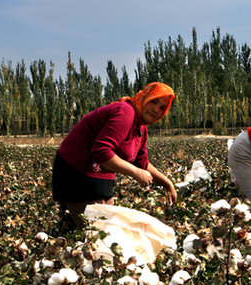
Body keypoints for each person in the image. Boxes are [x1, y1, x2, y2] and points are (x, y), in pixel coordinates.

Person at [52, 82, 178, 229]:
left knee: (108, 229)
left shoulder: (141, 128)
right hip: (77, 173)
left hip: (100, 177)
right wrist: (136, 173)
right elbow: (101, 151)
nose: (156, 110)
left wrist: (167, 183)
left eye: (162, 107)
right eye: (154, 101)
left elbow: (142, 163)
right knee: (95, 233)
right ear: (144, 97)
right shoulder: (126, 112)